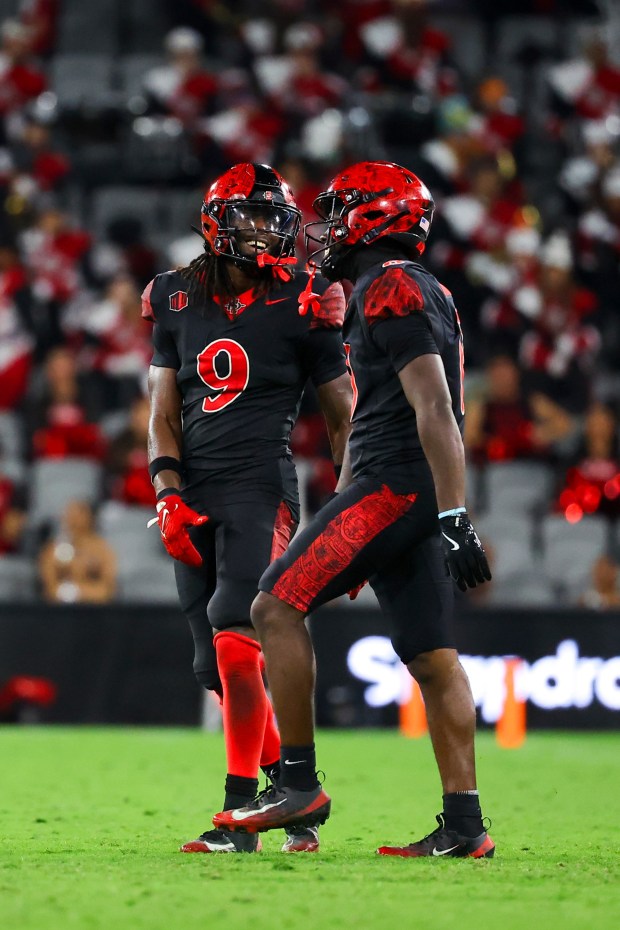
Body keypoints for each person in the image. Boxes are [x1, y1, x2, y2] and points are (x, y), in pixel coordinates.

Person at [214, 160, 494, 859]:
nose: (328, 227)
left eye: (341, 212)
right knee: (433, 656)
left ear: (376, 216)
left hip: (394, 483)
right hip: (409, 488)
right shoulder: (414, 286)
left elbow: (434, 407)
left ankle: (300, 783)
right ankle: (465, 826)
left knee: (273, 607)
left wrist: (456, 516)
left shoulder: (391, 286)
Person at [143, 163, 351, 854]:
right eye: (253, 216)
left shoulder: (307, 298)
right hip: (194, 490)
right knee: (214, 666)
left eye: (274, 217)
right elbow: (162, 412)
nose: (267, 230)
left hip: (260, 484)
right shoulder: (173, 296)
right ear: (217, 220)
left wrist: (354, 513)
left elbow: (343, 417)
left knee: (238, 634)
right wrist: (167, 493)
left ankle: (238, 817)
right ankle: (297, 802)